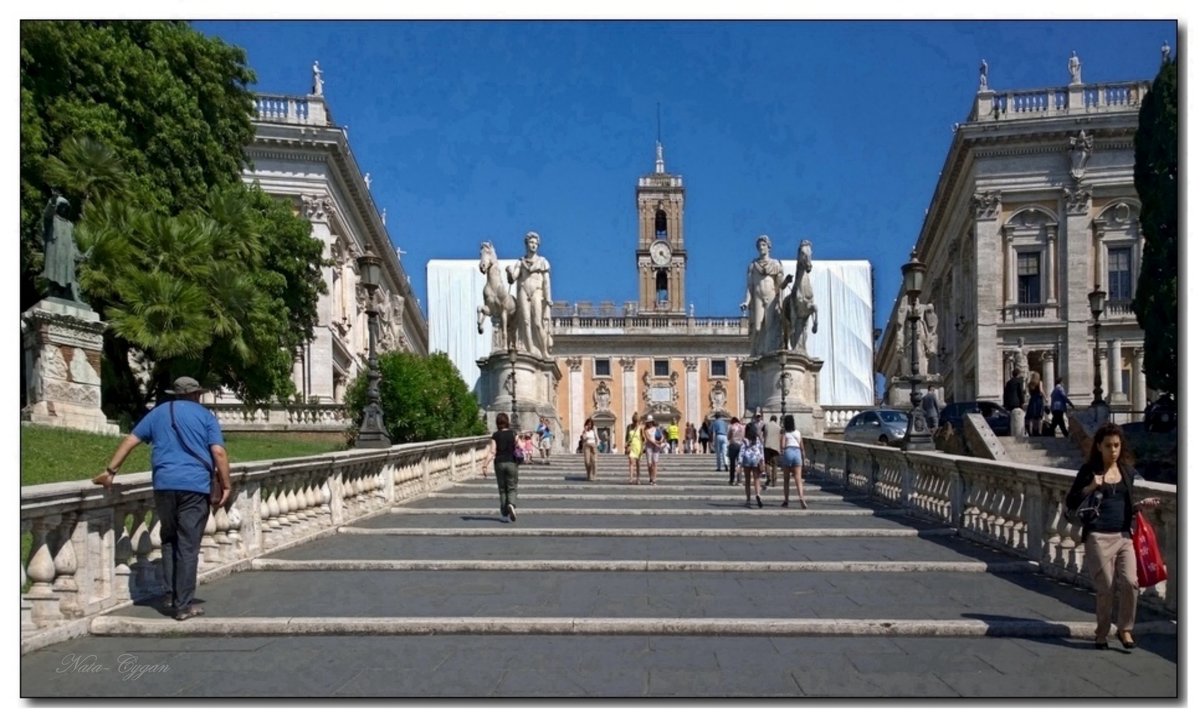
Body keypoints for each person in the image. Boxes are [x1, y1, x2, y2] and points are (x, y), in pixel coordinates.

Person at [96, 377, 230, 621]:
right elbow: (218, 451)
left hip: (164, 484)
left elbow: (131, 440)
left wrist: (110, 471)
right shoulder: (205, 417)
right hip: (194, 486)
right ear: (196, 394)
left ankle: (170, 594)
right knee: (187, 545)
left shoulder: (158, 413)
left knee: (169, 539)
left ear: (176, 394)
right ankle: (183, 605)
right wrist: (226, 484)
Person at [1064, 423, 1160, 649]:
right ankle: (1102, 632)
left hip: (1124, 534)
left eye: (1116, 445)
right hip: (1098, 536)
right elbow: (1071, 502)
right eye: (1108, 446)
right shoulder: (1089, 471)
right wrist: (1089, 487)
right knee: (1106, 586)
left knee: (1130, 582)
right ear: (1099, 446)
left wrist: (1140, 505)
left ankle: (1125, 629)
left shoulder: (1126, 471)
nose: (1113, 450)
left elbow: (1125, 504)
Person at [505, 231, 553, 358]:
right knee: (525, 321)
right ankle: (530, 349)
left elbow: (547, 282)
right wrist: (509, 273)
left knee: (538, 323)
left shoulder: (542, 261)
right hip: (523, 291)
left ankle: (544, 351)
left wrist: (548, 301)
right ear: (526, 244)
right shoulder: (520, 262)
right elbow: (513, 278)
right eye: (531, 242)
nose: (533, 245)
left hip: (537, 291)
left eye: (535, 243)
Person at [740, 235, 786, 357]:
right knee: (757, 327)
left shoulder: (775, 264)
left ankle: (769, 353)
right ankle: (756, 354)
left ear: (768, 247)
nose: (761, 247)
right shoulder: (753, 265)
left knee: (770, 326)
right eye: (759, 245)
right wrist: (746, 301)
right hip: (757, 297)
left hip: (771, 296)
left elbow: (780, 285)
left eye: (763, 245)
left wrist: (786, 282)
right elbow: (750, 287)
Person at [41, 193, 87, 304]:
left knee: (70, 277)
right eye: (62, 206)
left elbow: (73, 243)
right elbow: (47, 214)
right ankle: (53, 293)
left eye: (66, 207)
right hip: (55, 255)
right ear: (57, 207)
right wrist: (52, 201)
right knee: (54, 276)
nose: (64, 209)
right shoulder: (51, 220)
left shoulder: (69, 225)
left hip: (67, 256)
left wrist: (80, 255)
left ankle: (75, 298)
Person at [483, 412, 520, 523]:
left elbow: (493, 451)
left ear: (497, 423)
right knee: (512, 487)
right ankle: (511, 504)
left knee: (502, 489)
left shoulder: (495, 435)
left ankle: (504, 513)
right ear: (507, 422)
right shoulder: (513, 433)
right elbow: (520, 446)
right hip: (511, 462)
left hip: (499, 463)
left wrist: (485, 465)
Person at [780, 414, 807, 509]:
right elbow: (802, 447)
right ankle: (801, 498)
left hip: (788, 452)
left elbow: (782, 446)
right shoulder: (798, 433)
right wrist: (803, 459)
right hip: (797, 453)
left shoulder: (785, 433)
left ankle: (786, 500)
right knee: (798, 479)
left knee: (786, 479)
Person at [738, 420, 766, 508]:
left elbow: (741, 452)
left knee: (747, 480)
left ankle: (748, 499)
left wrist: (739, 464)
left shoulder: (745, 440)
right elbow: (761, 451)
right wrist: (762, 461)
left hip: (747, 459)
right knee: (756, 479)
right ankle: (758, 494)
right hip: (756, 459)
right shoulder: (758, 440)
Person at [642, 418, 663, 485]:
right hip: (649, 447)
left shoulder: (657, 428)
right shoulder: (645, 430)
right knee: (649, 464)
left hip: (656, 447)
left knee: (655, 463)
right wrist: (656, 443)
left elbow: (662, 436)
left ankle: (654, 479)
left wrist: (661, 441)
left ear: (652, 422)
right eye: (648, 422)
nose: (649, 423)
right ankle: (650, 477)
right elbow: (648, 439)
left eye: (650, 422)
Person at [1026, 373, 1047, 437]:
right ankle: (1039, 432)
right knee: (1039, 417)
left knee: (1031, 417)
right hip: (1038, 400)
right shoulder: (1039, 382)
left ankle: (1031, 432)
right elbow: (1041, 390)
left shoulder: (1030, 384)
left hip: (1032, 400)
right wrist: (1045, 397)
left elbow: (1029, 392)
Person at [763, 415, 781, 487]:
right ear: (776, 420)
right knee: (774, 465)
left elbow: (764, 435)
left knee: (767, 463)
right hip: (775, 448)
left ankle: (768, 477)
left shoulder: (766, 425)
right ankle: (774, 481)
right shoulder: (778, 427)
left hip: (767, 446)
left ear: (770, 419)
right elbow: (780, 437)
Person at [726, 417, 745, 486]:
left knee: (732, 463)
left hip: (733, 445)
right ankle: (739, 480)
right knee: (739, 463)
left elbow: (728, 437)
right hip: (741, 445)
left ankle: (732, 480)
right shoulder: (742, 427)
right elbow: (744, 437)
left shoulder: (731, 427)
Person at [625, 416, 643, 485]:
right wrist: (626, 446)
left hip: (638, 447)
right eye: (634, 421)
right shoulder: (629, 427)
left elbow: (642, 439)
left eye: (636, 422)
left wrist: (642, 449)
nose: (635, 423)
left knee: (638, 464)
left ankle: (638, 479)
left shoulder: (640, 428)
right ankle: (631, 478)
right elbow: (627, 438)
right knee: (631, 463)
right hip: (631, 447)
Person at [580, 417, 598, 482]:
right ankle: (588, 474)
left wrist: (596, 445)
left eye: (590, 424)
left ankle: (594, 475)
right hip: (586, 446)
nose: (589, 425)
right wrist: (585, 431)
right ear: (586, 425)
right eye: (588, 424)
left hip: (593, 445)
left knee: (594, 461)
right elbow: (583, 439)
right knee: (587, 462)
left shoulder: (594, 430)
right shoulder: (584, 431)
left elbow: (597, 438)